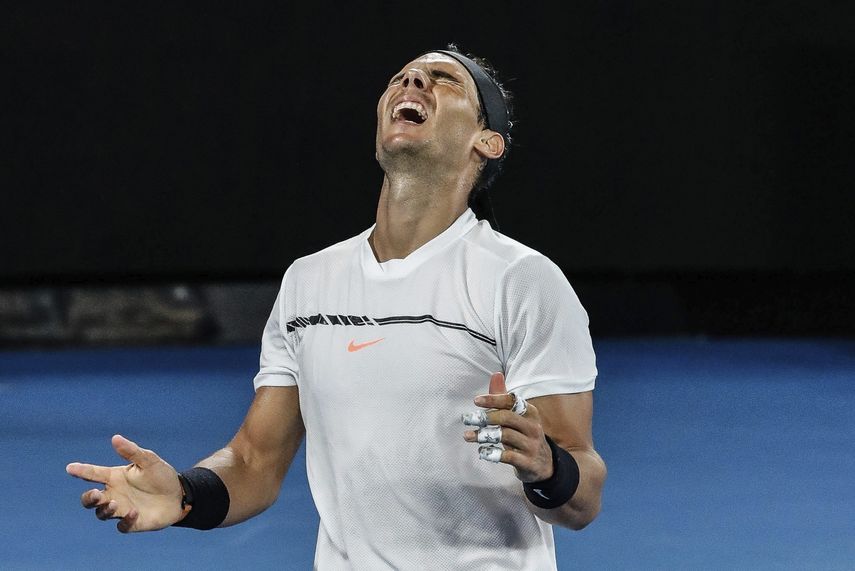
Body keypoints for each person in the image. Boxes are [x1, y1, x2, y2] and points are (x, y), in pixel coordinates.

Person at [66, 45, 607, 569]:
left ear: (487, 142)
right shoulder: (309, 281)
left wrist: (546, 465)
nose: (412, 82)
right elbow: (255, 462)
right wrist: (184, 495)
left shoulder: (521, 281)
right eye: (403, 76)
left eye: (446, 80)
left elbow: (582, 494)